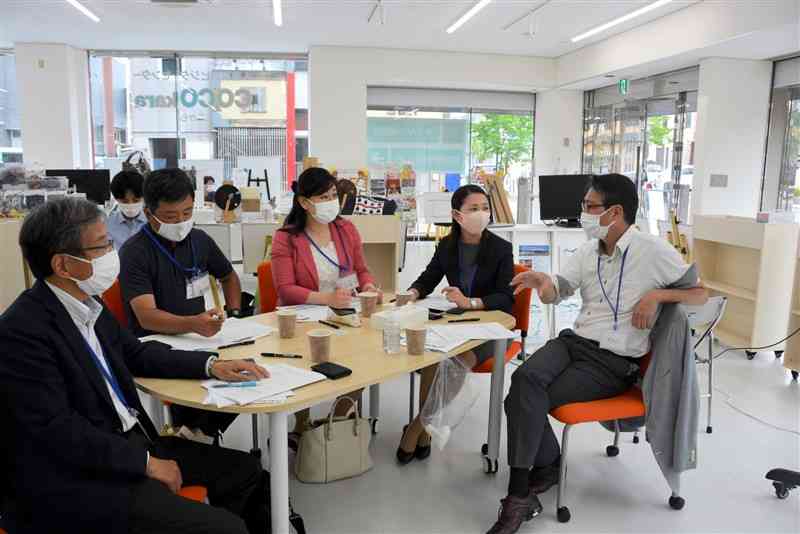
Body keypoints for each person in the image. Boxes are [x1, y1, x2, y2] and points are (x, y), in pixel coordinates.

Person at [0, 197, 271, 534]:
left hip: (131, 443)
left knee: (247, 471)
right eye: (102, 246)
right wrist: (145, 464)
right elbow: (58, 430)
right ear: (63, 265)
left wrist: (211, 365)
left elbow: (138, 354)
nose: (112, 253)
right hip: (80, 476)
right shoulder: (22, 332)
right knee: (224, 529)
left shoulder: (88, 306)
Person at [485, 174, 707, 534]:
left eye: (590, 207)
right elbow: (559, 289)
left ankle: (519, 495)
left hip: (614, 362)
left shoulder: (652, 251)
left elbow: (700, 293)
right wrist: (545, 283)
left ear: (615, 212)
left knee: (527, 397)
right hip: (574, 342)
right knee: (523, 380)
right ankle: (547, 467)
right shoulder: (588, 250)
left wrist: (657, 297)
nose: (583, 214)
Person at [119, 168, 243, 438]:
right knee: (208, 380)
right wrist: (193, 324)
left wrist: (234, 314)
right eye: (170, 216)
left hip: (201, 335)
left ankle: (194, 432)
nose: (181, 222)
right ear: (149, 212)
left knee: (244, 369)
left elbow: (228, 276)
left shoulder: (199, 240)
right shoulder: (134, 252)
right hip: (156, 343)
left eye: (187, 213)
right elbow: (147, 317)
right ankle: (192, 433)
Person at [401, 184, 514, 464]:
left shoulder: (501, 249)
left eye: (485, 208)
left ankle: (417, 427)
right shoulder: (447, 246)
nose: (481, 213)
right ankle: (427, 429)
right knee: (432, 360)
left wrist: (470, 302)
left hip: (492, 329)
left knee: (455, 360)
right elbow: (429, 277)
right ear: (457, 215)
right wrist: (412, 293)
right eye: (473, 209)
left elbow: (505, 297)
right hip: (457, 325)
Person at [271, 167, 382, 443]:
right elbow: (286, 289)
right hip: (303, 315)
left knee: (363, 361)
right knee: (306, 364)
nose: (332, 201)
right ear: (304, 202)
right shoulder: (286, 238)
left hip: (345, 313)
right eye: (323, 197)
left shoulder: (346, 229)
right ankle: (303, 424)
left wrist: (368, 286)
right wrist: (326, 299)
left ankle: (338, 418)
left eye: (333, 195)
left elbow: (362, 269)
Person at [108, 170, 147, 250]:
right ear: (116, 199)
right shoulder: (108, 223)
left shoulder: (152, 223)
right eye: (124, 201)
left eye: (136, 200)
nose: (130, 205)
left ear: (144, 198)